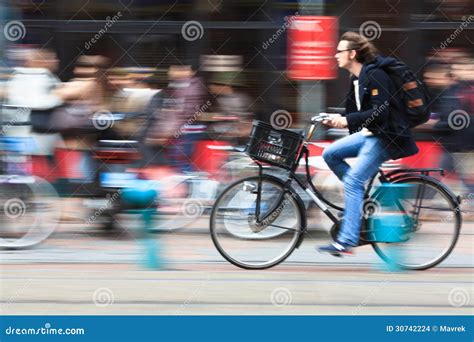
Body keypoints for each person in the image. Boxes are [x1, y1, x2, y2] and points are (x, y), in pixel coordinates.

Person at [318, 32, 419, 256]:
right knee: (331, 154)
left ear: (352, 54)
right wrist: (334, 118)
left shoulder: (375, 75)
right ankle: (359, 200)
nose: (335, 55)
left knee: (353, 181)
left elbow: (379, 113)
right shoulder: (356, 78)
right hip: (371, 133)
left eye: (339, 51)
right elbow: (357, 114)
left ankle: (347, 240)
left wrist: (347, 120)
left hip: (386, 136)